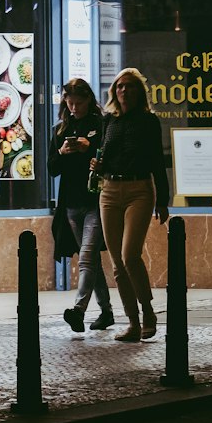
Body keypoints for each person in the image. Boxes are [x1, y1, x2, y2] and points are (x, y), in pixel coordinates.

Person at [93, 67, 170, 343]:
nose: (124, 90)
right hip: (110, 190)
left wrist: (163, 199)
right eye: (120, 86)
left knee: (129, 256)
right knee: (116, 264)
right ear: (114, 91)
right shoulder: (108, 120)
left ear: (139, 91)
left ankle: (148, 312)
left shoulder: (149, 121)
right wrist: (97, 164)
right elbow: (102, 151)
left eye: (130, 86)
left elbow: (158, 163)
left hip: (140, 189)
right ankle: (133, 323)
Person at [51, 78, 113, 332]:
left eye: (79, 102)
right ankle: (107, 312)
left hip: (95, 201)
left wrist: (91, 148)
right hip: (71, 204)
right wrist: (62, 153)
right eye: (70, 102)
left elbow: (110, 158)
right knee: (91, 260)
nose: (74, 107)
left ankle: (78, 311)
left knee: (87, 257)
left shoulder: (101, 125)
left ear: (89, 100)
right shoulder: (60, 130)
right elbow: (51, 169)